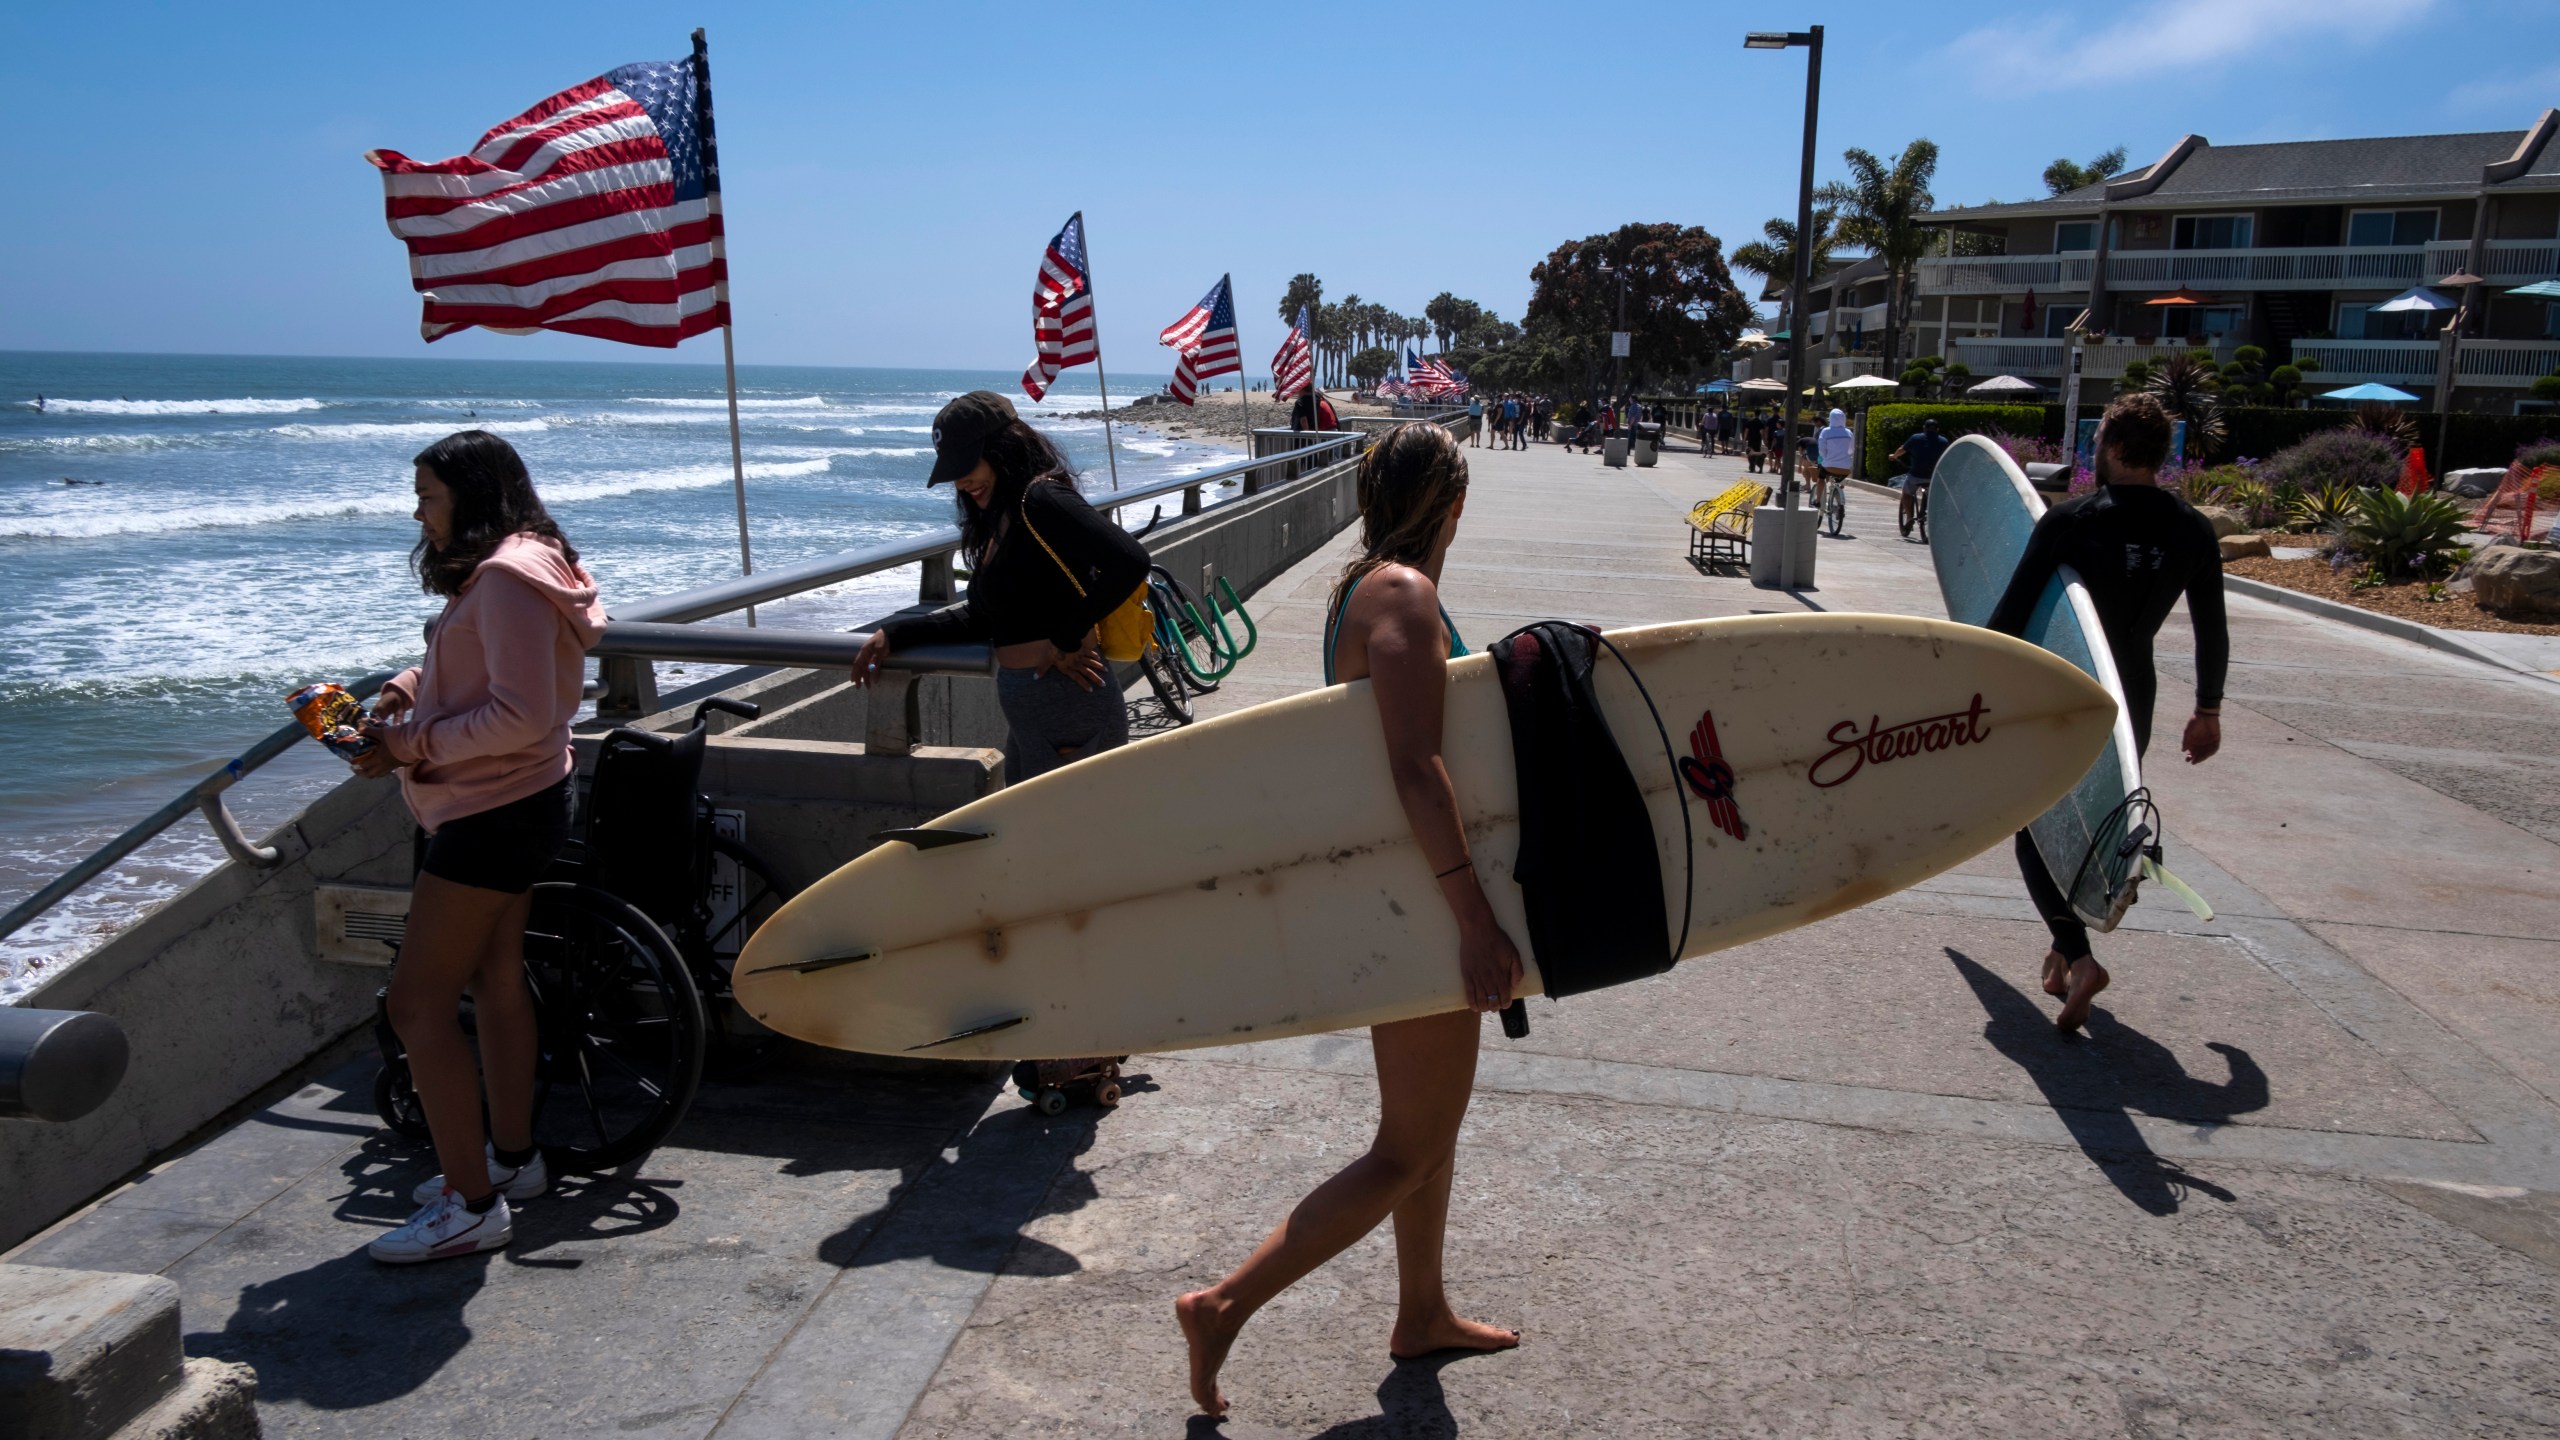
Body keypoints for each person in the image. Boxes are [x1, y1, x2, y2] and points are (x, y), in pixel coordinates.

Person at [1176, 422, 1522, 1416]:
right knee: (1404, 1146)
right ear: (1450, 505)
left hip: (1402, 887)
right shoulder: (1403, 595)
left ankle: (1422, 1312)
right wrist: (1472, 916)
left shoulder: (1361, 586)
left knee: (1428, 1125)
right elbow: (1416, 768)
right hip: (1417, 900)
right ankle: (1224, 1304)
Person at [353, 431, 607, 1264]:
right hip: (517, 801)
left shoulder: (503, 580)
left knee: (416, 1004)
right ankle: (512, 1160)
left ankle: (469, 1205)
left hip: (493, 811)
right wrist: (408, 686)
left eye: (428, 495)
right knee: (498, 977)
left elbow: (524, 713)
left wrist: (408, 746)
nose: (418, 511)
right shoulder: (525, 563)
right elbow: (481, 670)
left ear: (470, 496)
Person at [1985, 393, 2227, 1032]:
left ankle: (2077, 952)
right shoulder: (2192, 529)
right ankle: (2068, 953)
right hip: (2132, 696)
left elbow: (2007, 620)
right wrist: (2208, 710)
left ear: (2114, 448)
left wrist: (1979, 694)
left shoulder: (2073, 521)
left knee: (2036, 825)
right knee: (2093, 819)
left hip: (2064, 689)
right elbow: (2212, 629)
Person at [851, 391, 1150, 783]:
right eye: (952, 469)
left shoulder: (1042, 498)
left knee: (1075, 836)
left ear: (1003, 447)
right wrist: (896, 632)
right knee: (1037, 837)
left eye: (966, 464)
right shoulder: (1003, 518)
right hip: (1033, 715)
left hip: (1069, 703)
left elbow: (1130, 560)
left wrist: (1065, 638)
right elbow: (984, 617)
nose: (960, 481)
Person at [1890, 417, 1951, 537]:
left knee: (1906, 493)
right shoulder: (1944, 441)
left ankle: (1909, 517)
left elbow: (1902, 449)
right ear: (1937, 430)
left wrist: (1894, 456)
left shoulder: (1916, 438)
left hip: (1916, 475)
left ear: (1924, 428)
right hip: (1934, 477)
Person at [1812, 407, 1856, 510]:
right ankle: (1839, 502)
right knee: (1837, 481)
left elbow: (1822, 451)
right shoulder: (1848, 432)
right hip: (1846, 468)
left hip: (1829, 466)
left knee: (1821, 479)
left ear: (1830, 419)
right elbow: (1851, 450)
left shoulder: (1826, 432)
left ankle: (1818, 501)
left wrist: (1826, 458)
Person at [1743, 408, 1766, 473]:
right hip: (1757, 440)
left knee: (1750, 454)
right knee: (1757, 454)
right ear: (1759, 414)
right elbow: (1761, 432)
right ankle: (1757, 467)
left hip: (1751, 440)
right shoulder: (1761, 423)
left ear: (1754, 413)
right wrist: (1763, 440)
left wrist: (1744, 439)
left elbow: (1746, 431)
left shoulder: (1750, 422)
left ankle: (1752, 467)